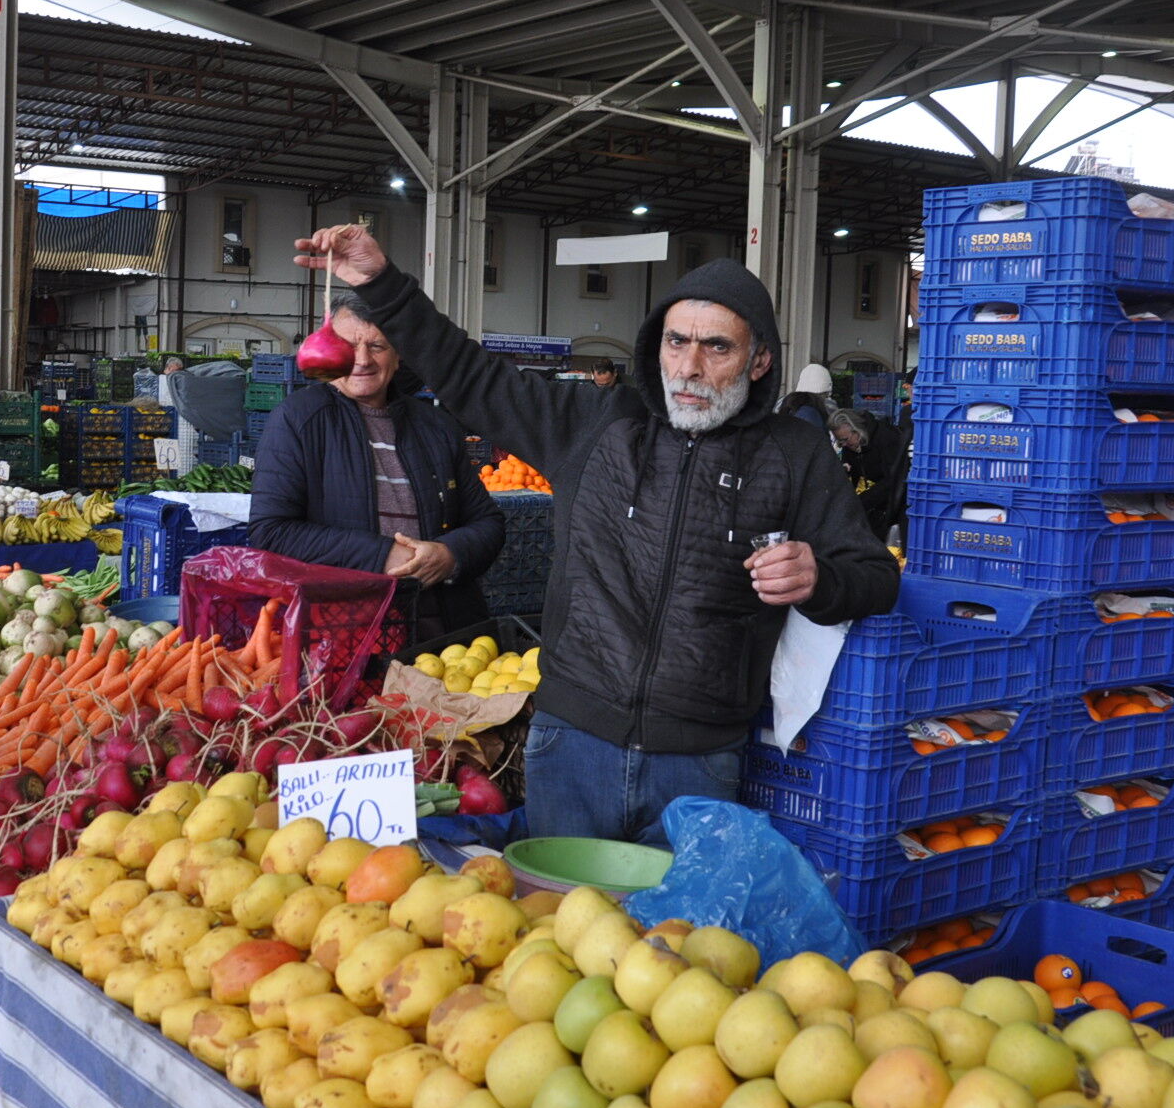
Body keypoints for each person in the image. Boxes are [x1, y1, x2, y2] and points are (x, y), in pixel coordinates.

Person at [293, 224, 899, 847]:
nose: (689, 367)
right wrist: (382, 285)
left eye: (717, 348)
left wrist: (818, 578)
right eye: (676, 342)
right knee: (558, 927)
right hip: (572, 743)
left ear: (760, 359)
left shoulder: (794, 453)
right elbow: (470, 374)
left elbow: (875, 577)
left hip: (699, 761)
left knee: (668, 939)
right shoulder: (600, 425)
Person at [249, 292, 506, 642]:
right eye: (349, 346)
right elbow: (271, 531)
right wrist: (382, 555)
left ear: (398, 356)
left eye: (377, 346)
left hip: (443, 633)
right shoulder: (298, 419)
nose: (362, 359)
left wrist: (450, 555)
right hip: (341, 634)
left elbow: (487, 522)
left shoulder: (437, 427)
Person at [829, 407, 911, 544]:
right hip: (874, 506)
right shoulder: (851, 446)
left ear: (856, 430)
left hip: (893, 506)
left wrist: (862, 501)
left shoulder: (886, 438)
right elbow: (853, 473)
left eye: (845, 439)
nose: (843, 445)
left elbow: (892, 481)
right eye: (840, 442)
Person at [777, 362, 836, 430]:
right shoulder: (814, 413)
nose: (827, 398)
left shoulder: (782, 403)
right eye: (826, 395)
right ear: (823, 393)